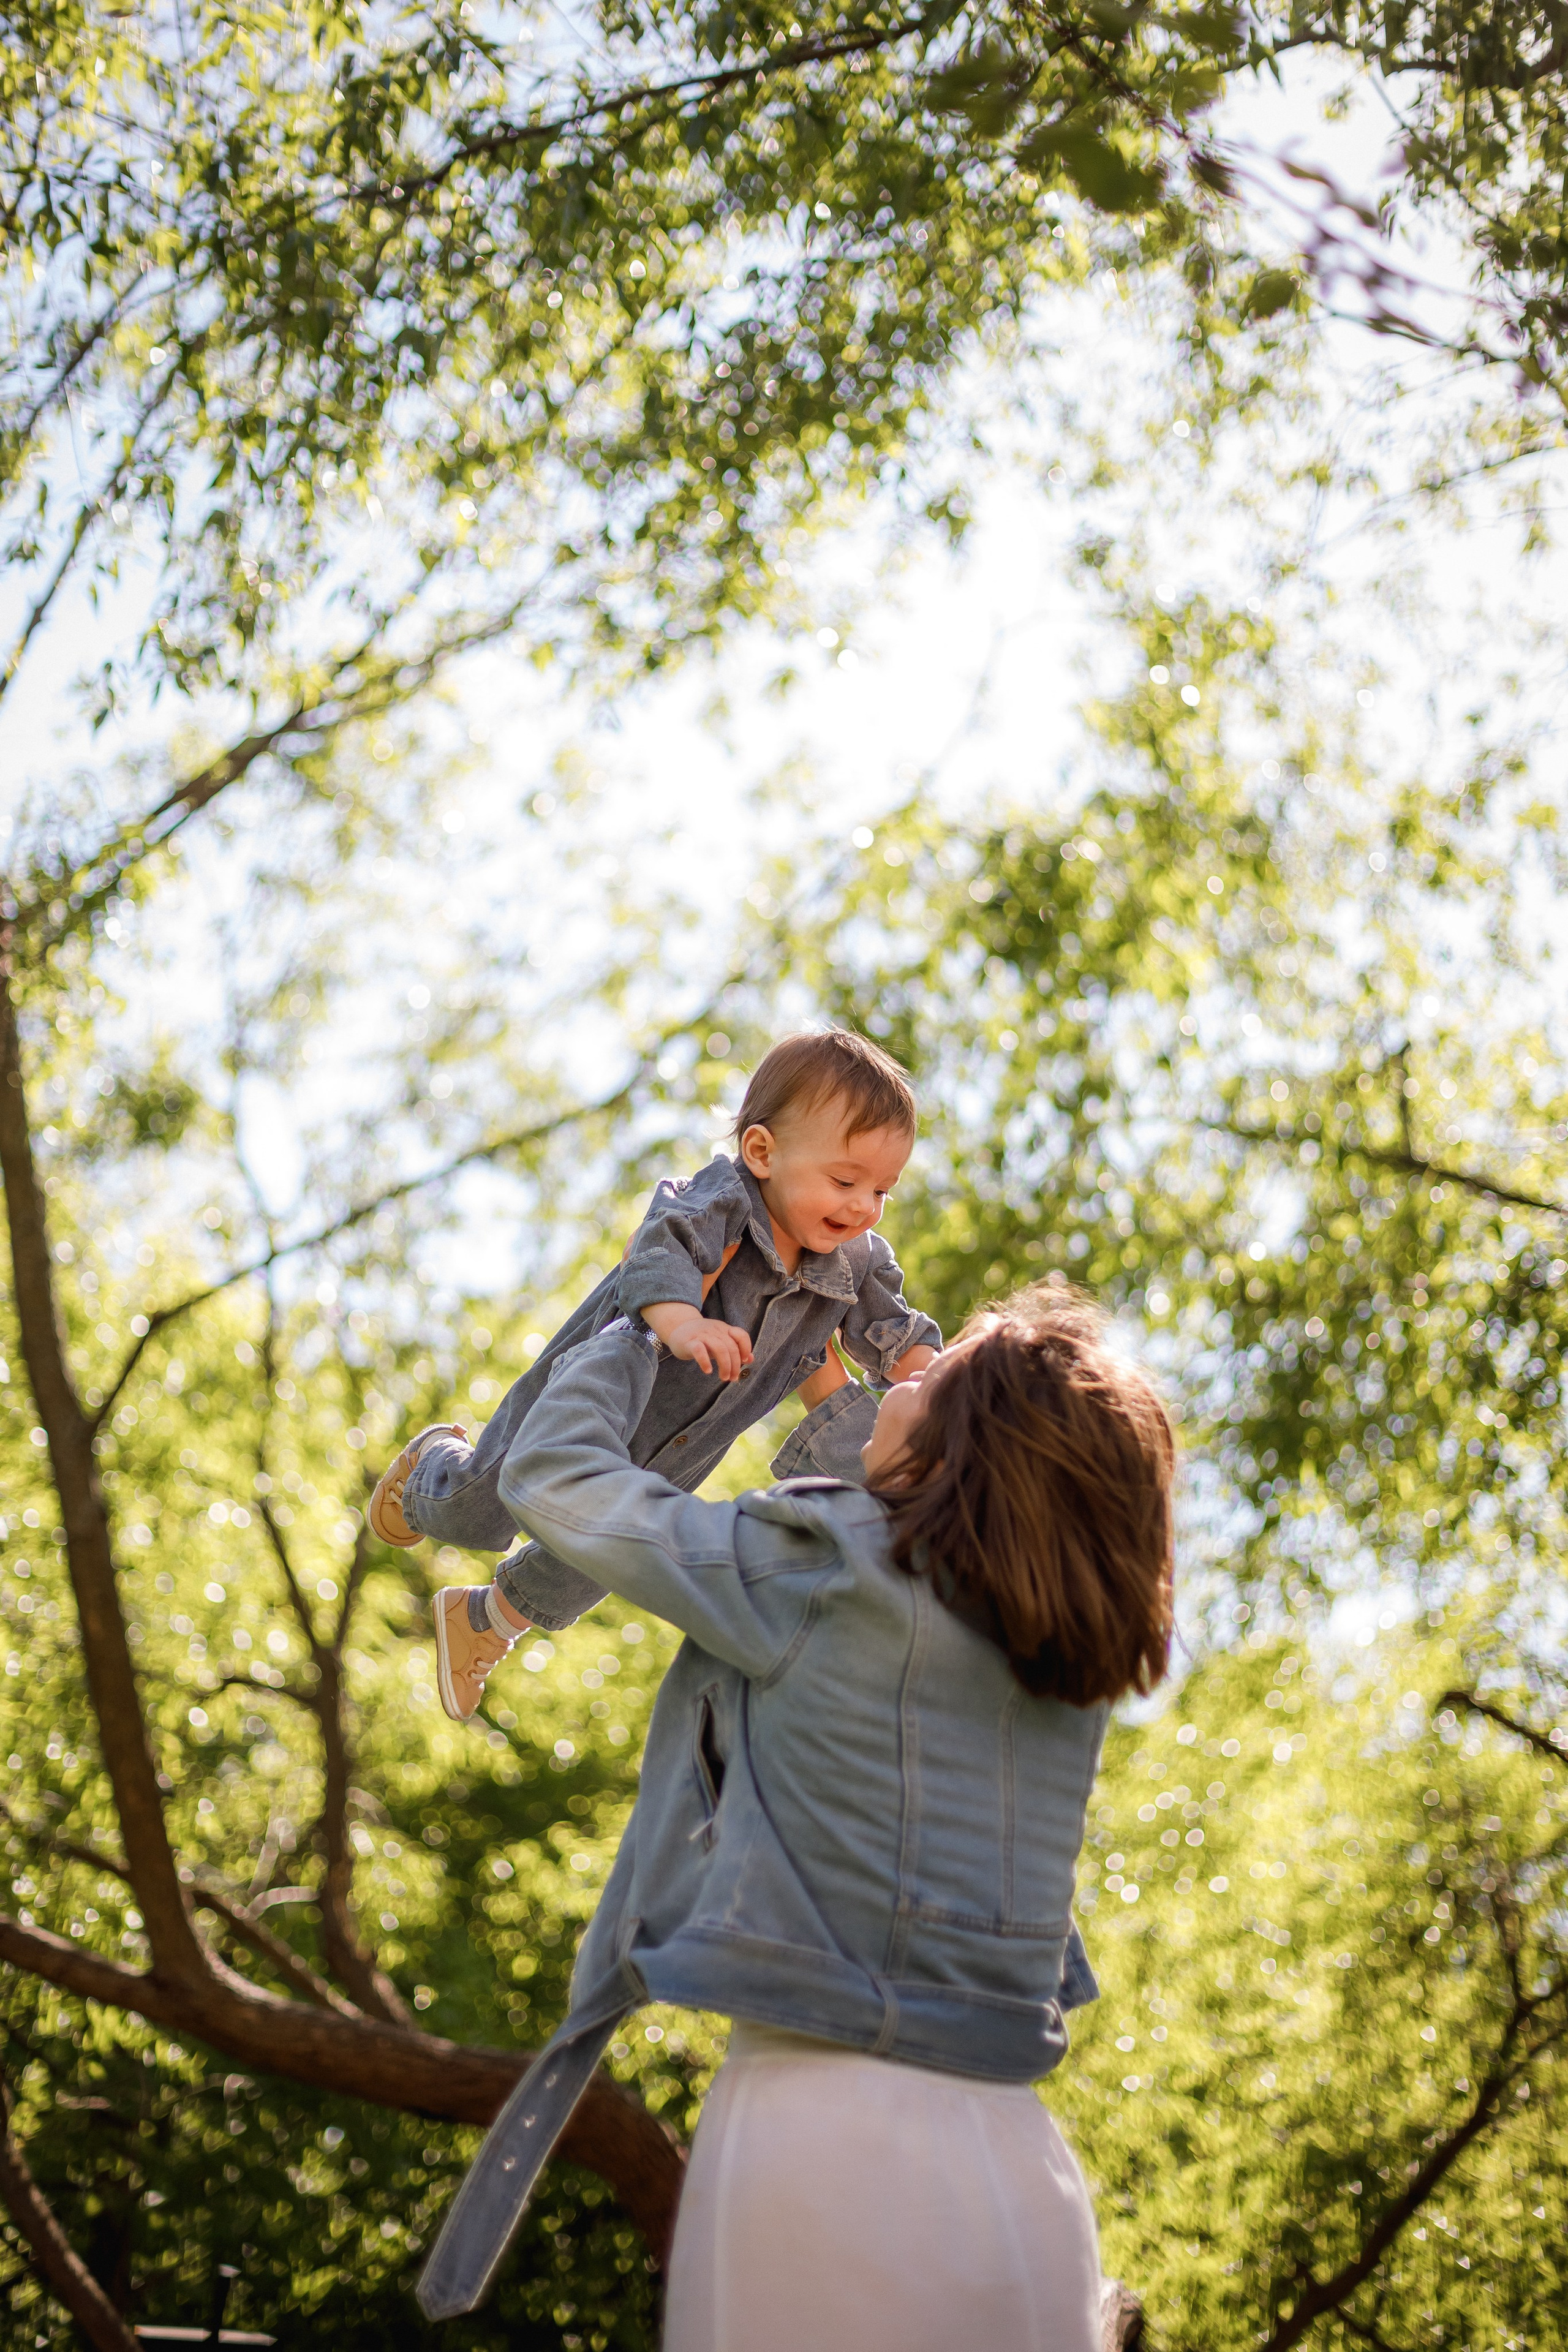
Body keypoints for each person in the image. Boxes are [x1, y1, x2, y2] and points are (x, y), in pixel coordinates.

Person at [417, 1279, 1175, 2351]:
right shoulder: (1059, 1652)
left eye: (933, 1370)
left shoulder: (816, 1571)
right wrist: (834, 1385)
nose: (904, 1366)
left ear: (965, 1443)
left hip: (825, 2145)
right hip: (1028, 2176)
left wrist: (645, 1321)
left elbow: (560, 1480)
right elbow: (926, 1519)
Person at [368, 1030, 941, 1721]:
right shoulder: (724, 1198)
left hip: (686, 1444)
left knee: (607, 1549)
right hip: (608, 1387)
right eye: (845, 1180)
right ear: (762, 1152)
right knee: (480, 1505)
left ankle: (485, 1621)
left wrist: (944, 1387)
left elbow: (896, 1336)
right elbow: (662, 1247)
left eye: (882, 1189)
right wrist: (683, 1323)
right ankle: (434, 1466)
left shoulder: (855, 1262)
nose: (861, 1206)